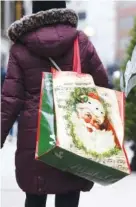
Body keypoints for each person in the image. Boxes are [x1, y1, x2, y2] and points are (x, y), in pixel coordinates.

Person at [1, 1, 109, 207]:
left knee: (34, 195)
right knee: (68, 194)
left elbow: (10, 100)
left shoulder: (20, 46)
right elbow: (102, 85)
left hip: (35, 139)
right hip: (75, 133)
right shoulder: (80, 41)